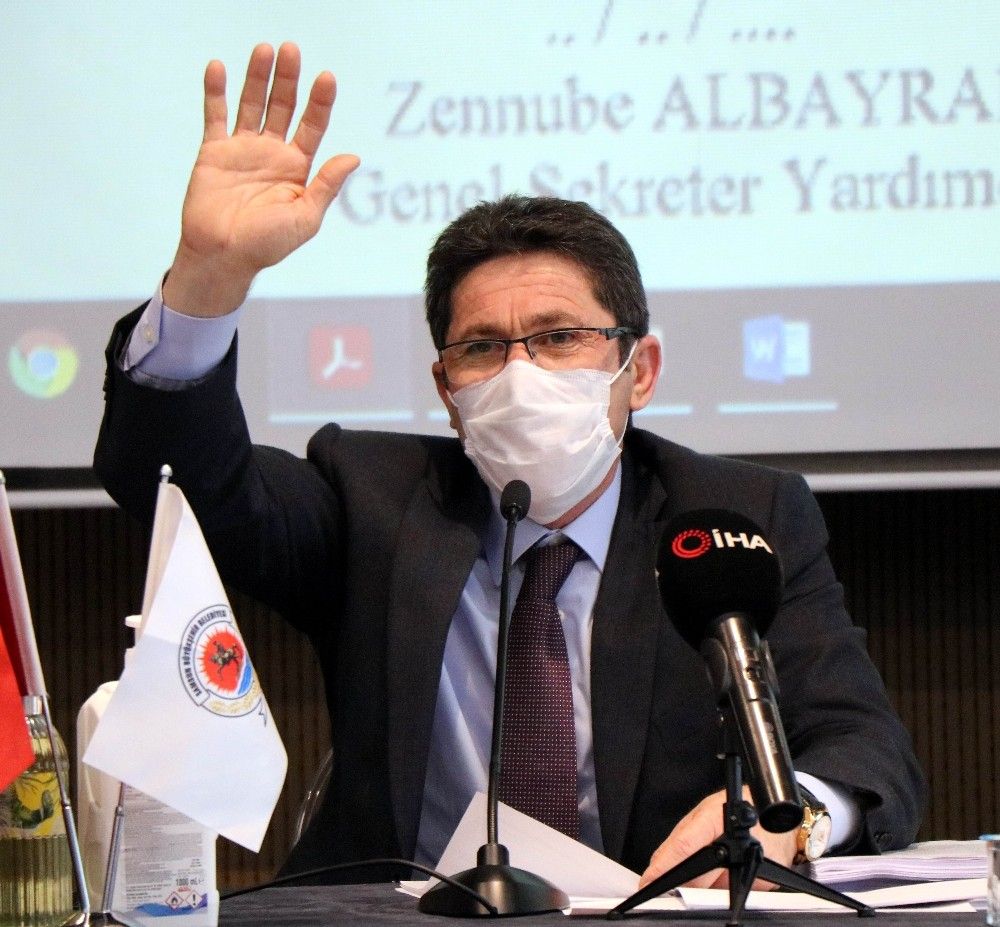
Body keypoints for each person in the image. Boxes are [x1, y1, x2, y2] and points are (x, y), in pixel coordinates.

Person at [94, 43, 925, 887]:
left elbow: (865, 746)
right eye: (483, 347)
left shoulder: (737, 518)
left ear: (638, 370)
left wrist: (792, 814)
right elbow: (180, 481)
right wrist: (207, 280)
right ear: (446, 389)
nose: (521, 374)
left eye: (560, 337)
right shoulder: (372, 497)